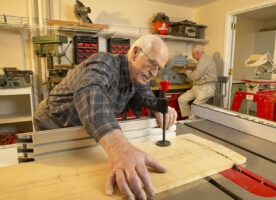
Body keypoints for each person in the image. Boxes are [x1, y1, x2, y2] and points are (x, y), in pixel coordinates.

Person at [34, 34, 177, 200]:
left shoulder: (138, 78)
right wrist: (121, 148)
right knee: (55, 183)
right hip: (53, 123)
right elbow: (91, 94)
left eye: (159, 68)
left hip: (82, 131)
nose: (154, 73)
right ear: (135, 52)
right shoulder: (105, 63)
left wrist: (159, 108)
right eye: (152, 63)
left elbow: (145, 97)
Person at [178, 44, 217, 119]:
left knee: (195, 106)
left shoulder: (204, 60)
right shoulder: (202, 60)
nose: (192, 57)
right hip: (198, 87)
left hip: (206, 88)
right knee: (182, 99)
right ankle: (188, 118)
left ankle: (191, 122)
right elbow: (198, 75)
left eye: (193, 55)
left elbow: (196, 76)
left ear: (197, 53)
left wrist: (186, 71)